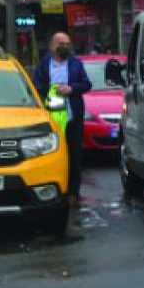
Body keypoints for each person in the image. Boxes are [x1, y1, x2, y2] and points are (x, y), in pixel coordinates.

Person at [33, 32, 92, 208]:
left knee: (74, 156)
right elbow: (36, 86)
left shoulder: (76, 64)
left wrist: (71, 88)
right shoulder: (44, 65)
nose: (65, 46)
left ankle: (73, 193)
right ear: (52, 46)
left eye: (67, 43)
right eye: (61, 43)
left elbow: (87, 84)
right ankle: (52, 190)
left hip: (72, 118)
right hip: (50, 120)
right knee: (51, 156)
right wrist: (49, 91)